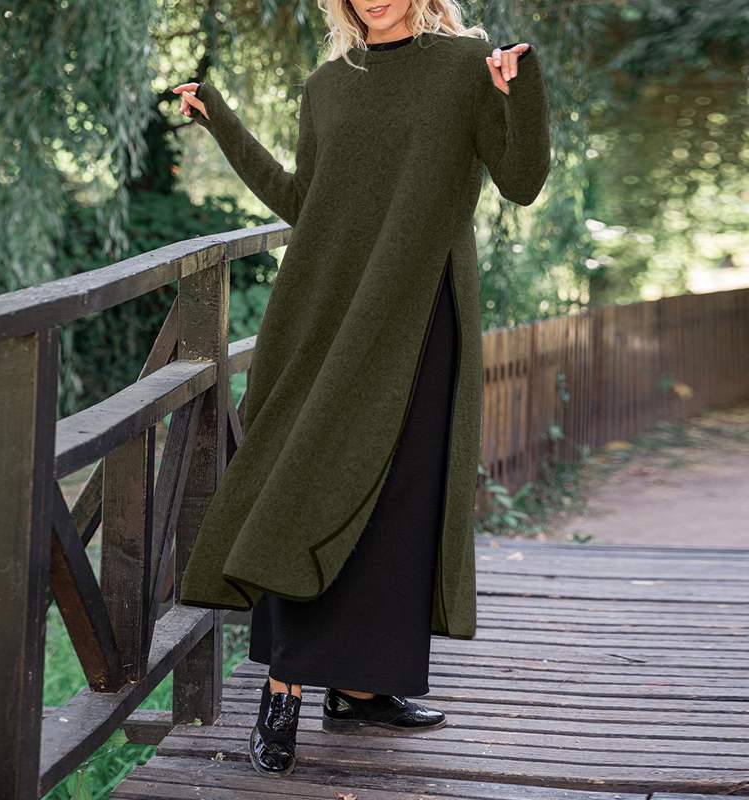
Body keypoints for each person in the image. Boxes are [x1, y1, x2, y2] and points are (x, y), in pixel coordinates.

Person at [173, 0, 550, 779]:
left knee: (398, 505)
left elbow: (521, 182)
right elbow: (304, 204)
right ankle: (283, 689)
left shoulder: (466, 65)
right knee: (306, 484)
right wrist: (222, 121)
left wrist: (523, 92)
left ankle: (359, 686)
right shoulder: (327, 85)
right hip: (329, 314)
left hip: (422, 313)